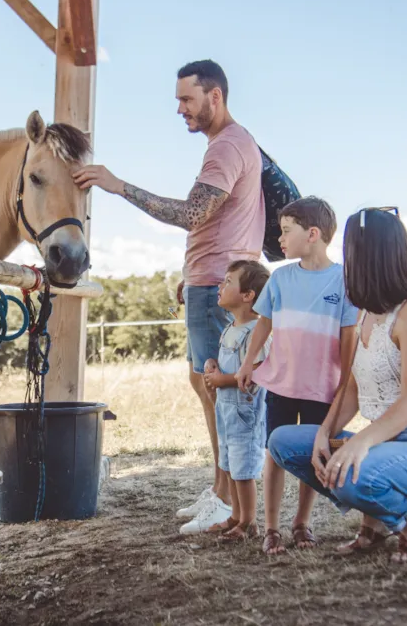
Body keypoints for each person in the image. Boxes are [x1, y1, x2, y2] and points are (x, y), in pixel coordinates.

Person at [72, 60, 265, 529]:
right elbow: (220, 221)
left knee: (220, 391)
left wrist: (119, 187)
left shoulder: (226, 148)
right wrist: (196, 274)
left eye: (186, 99)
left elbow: (192, 214)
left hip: (216, 282)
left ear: (214, 96)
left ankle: (229, 502)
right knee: (205, 385)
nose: (179, 109)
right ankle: (220, 490)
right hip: (211, 279)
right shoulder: (232, 144)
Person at [267, 207, 407, 563]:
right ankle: (374, 518)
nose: (346, 261)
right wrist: (325, 433)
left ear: (370, 256)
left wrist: (357, 444)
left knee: (350, 471)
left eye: (351, 251)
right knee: (283, 441)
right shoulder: (363, 314)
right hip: (382, 441)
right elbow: (352, 391)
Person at [235, 197, 359, 555]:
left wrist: (345, 382)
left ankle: (301, 523)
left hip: (323, 387)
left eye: (287, 231)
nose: (280, 239)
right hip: (281, 383)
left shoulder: (344, 281)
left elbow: (348, 336)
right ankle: (271, 527)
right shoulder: (280, 279)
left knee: (312, 455)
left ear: (314, 234)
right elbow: (264, 324)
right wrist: (247, 364)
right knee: (274, 451)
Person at [179, 260, 272, 537]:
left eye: (228, 282)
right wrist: (212, 366)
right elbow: (229, 364)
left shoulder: (256, 331)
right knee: (229, 463)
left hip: (245, 412)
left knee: (243, 470)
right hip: (226, 410)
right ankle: (234, 515)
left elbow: (257, 373)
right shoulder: (230, 327)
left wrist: (222, 380)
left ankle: (248, 522)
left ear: (248, 295)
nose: (220, 286)